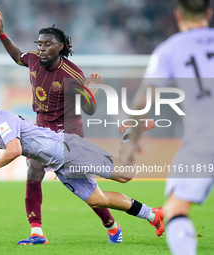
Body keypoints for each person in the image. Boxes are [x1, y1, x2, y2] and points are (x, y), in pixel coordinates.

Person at [0, 87, 165, 244]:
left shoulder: (3, 120)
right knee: (98, 200)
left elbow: (15, 150)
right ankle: (153, 215)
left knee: (125, 174)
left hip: (69, 149)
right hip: (60, 166)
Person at [0, 7, 122, 245]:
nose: (41, 48)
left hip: (68, 132)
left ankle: (111, 225)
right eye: (39, 43)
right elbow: (16, 55)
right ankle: (37, 232)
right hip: (41, 127)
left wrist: (88, 93)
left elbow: (90, 109)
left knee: (85, 188)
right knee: (33, 171)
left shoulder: (73, 75)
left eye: (47, 44)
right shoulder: (32, 60)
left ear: (60, 46)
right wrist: (1, 34)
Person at [118, 0, 214, 254]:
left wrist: (131, 140)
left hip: (204, 138)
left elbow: (143, 99)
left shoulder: (170, 49)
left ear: (178, 16)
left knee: (175, 210)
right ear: (209, 13)